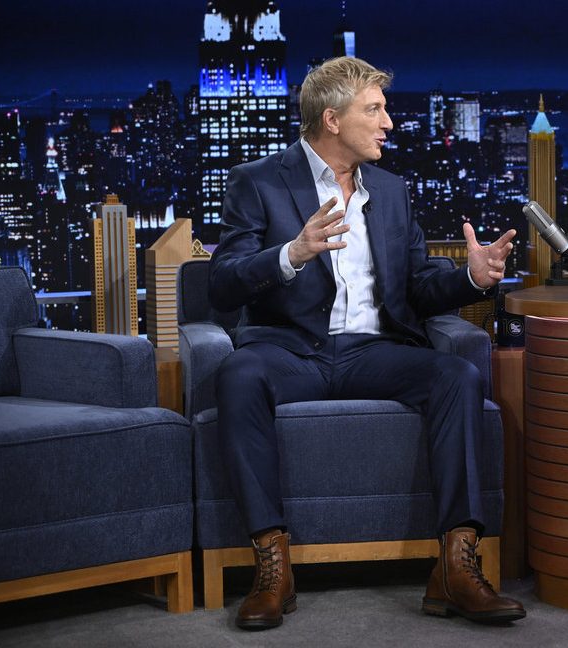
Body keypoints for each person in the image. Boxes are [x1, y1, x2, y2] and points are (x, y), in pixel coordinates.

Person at [208, 56, 525, 630]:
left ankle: (456, 565)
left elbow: (417, 286)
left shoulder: (391, 190)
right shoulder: (258, 181)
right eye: (374, 110)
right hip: (289, 350)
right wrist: (292, 253)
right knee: (237, 375)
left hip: (372, 351)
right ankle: (273, 566)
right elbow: (223, 283)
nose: (388, 123)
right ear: (332, 119)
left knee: (458, 375)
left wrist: (471, 278)